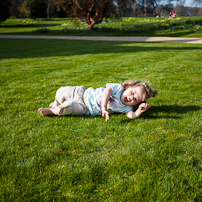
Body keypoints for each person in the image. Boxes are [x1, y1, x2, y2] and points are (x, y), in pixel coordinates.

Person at [38, 80, 157, 122]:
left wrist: (140, 111)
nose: (131, 98)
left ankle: (52, 111)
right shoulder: (118, 88)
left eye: (135, 100)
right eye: (132, 93)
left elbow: (132, 115)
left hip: (85, 109)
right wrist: (104, 108)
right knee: (61, 91)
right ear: (128, 87)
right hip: (82, 94)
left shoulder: (126, 108)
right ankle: (56, 102)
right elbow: (106, 92)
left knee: (68, 108)